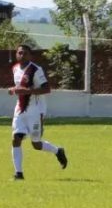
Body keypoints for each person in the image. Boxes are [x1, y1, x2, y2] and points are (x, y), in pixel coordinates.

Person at [7, 44, 67, 180]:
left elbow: (47, 89)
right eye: (19, 53)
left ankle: (58, 151)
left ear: (30, 55)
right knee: (16, 139)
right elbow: (19, 87)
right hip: (20, 109)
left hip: (35, 110)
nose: (22, 55)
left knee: (36, 144)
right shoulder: (15, 68)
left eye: (25, 53)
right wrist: (13, 89)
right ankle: (18, 174)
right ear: (16, 54)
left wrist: (27, 91)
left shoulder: (36, 69)